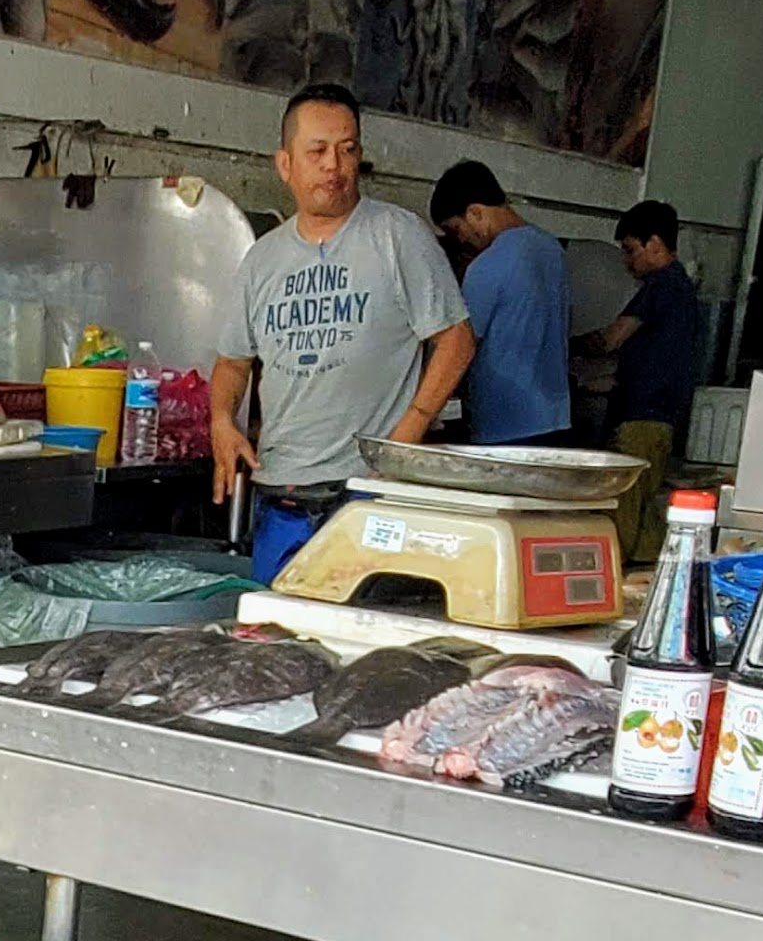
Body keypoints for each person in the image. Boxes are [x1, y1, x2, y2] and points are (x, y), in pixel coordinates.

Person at [209, 87, 476, 584]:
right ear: (285, 163)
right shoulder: (261, 260)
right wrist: (222, 420)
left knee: (361, 641)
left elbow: (456, 340)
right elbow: (233, 361)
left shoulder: (399, 236)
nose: (335, 164)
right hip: (282, 490)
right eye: (317, 151)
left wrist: (405, 439)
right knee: (275, 642)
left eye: (348, 149)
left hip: (370, 491)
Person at [580, 198, 706, 567]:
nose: (627, 260)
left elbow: (610, 340)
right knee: (645, 517)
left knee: (621, 515)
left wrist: (562, 341)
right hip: (660, 417)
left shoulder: (662, 285)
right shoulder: (679, 290)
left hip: (642, 420)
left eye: (630, 250)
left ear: (655, 243)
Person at [427, 161, 573, 445]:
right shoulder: (553, 250)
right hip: (555, 416)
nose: (462, 241)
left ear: (475, 213)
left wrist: (425, 410)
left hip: (506, 423)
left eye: (457, 230)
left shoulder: (489, 264)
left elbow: (457, 346)